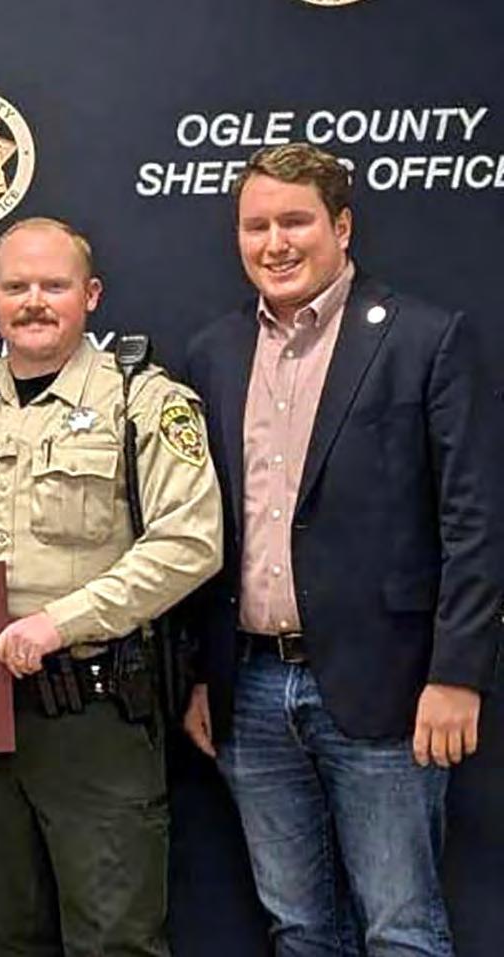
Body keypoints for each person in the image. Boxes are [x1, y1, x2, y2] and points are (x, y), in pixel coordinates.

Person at [0, 217, 223, 957]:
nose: (34, 302)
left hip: (93, 709)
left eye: (54, 285)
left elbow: (190, 541)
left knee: (115, 940)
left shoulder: (142, 400)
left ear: (91, 295)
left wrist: (61, 621)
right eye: (16, 286)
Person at [179, 143, 501, 957]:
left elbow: (474, 521)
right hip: (250, 687)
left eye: (295, 221)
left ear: (343, 227)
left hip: (388, 685)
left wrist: (458, 673)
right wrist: (203, 673)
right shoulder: (214, 352)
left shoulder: (425, 338)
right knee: (298, 925)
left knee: (401, 927)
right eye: (256, 226)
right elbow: (202, 528)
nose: (274, 243)